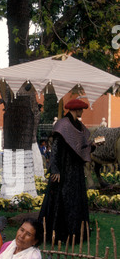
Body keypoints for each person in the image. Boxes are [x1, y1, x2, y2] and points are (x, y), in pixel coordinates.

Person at [38, 98, 101, 243]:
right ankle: (59, 234)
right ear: (75, 109)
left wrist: (94, 145)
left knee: (75, 201)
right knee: (62, 201)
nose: (82, 112)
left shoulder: (79, 126)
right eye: (80, 109)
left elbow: (81, 149)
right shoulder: (62, 125)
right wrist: (55, 170)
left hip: (76, 172)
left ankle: (75, 233)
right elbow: (55, 150)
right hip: (63, 171)